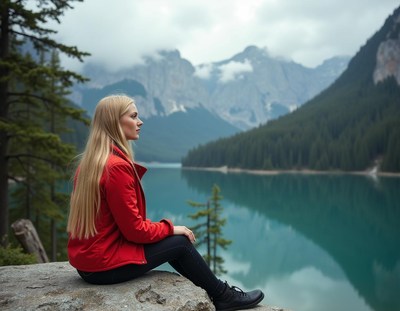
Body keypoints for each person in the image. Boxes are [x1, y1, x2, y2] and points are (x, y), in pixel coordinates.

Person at [67, 94, 264, 311]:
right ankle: (223, 296)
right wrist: (171, 228)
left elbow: (123, 226)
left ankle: (220, 294)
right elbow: (134, 231)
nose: (140, 122)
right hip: (104, 267)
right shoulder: (116, 167)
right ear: (115, 122)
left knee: (174, 242)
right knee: (180, 243)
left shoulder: (91, 163)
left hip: (89, 265)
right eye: (133, 116)